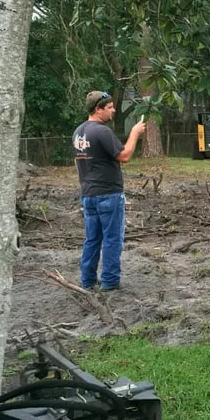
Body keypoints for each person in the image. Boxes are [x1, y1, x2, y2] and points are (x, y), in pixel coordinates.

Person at [73, 90, 146, 291]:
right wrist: (134, 133)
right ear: (98, 109)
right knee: (112, 239)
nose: (113, 111)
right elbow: (123, 155)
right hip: (108, 195)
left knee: (92, 239)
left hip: (88, 195)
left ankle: (87, 281)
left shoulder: (78, 132)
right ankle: (110, 282)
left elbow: (77, 161)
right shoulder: (101, 131)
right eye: (110, 108)